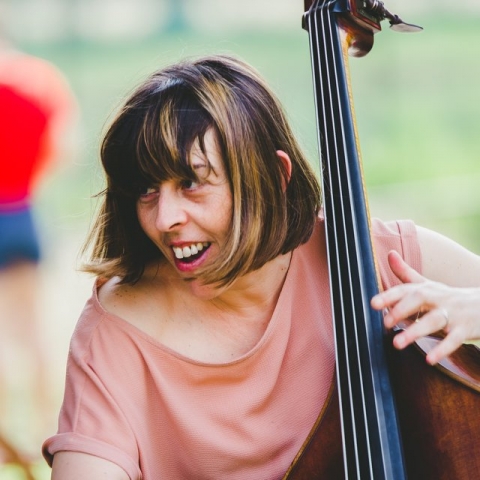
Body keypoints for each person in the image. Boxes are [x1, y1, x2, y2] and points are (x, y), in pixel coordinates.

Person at [41, 54, 480, 479]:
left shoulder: (382, 260)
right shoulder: (117, 330)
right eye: (146, 189)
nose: (163, 219)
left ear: (273, 175)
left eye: (191, 182)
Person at [0, 42, 77, 465]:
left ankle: (7, 440)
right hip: (23, 211)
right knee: (32, 330)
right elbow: (63, 147)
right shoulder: (37, 79)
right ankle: (43, 429)